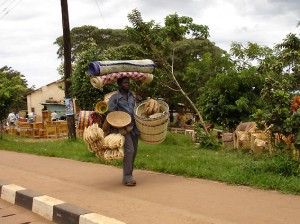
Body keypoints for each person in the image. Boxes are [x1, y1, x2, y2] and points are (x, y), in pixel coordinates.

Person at [106, 77, 139, 186]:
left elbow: (137, 109)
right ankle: (127, 178)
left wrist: (138, 101)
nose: (127, 84)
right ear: (119, 85)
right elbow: (111, 114)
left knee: (134, 152)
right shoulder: (114, 98)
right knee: (129, 151)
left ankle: (128, 174)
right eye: (125, 83)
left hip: (134, 127)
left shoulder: (132, 96)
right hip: (123, 128)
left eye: (128, 83)